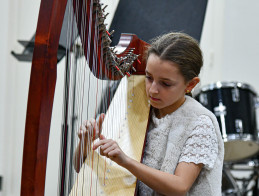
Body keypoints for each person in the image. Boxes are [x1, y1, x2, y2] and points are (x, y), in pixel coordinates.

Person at [73, 32, 224, 195]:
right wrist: (86, 143)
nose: (152, 90)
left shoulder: (200, 123)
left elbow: (179, 187)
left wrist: (126, 161)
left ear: (191, 84)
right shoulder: (136, 105)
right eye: (149, 77)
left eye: (165, 84)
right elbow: (81, 168)